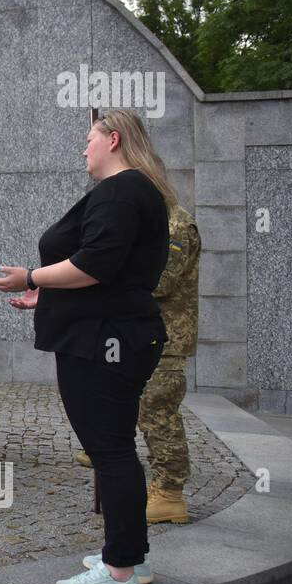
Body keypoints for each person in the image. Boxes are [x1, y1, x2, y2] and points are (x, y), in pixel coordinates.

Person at [0, 109, 171, 584]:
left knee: (109, 450)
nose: (83, 148)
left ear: (113, 139)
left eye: (89, 138)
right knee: (114, 447)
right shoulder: (131, 191)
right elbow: (109, 273)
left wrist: (32, 277)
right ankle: (132, 556)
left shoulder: (123, 190)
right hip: (112, 335)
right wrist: (48, 296)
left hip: (106, 343)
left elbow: (94, 265)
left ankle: (119, 576)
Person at [77, 203, 200, 525]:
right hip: (142, 334)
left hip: (168, 335)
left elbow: (161, 280)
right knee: (136, 403)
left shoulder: (173, 224)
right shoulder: (153, 221)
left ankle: (170, 493)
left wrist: (105, 275)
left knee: (158, 409)